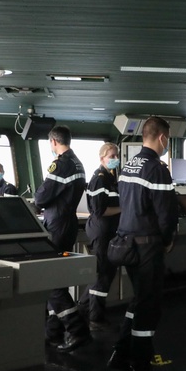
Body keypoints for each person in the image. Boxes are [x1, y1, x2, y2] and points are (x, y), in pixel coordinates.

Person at [107, 117, 177, 371]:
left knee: (139, 300)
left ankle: (121, 354)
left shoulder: (128, 167)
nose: (167, 143)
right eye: (168, 139)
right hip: (148, 246)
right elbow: (166, 212)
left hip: (127, 243)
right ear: (161, 138)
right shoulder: (157, 169)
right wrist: (168, 238)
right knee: (149, 308)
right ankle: (142, 369)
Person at [34, 125, 90, 352]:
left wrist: (37, 199)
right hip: (67, 224)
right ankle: (53, 332)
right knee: (56, 279)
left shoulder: (61, 163)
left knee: (51, 282)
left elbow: (42, 196)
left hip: (56, 225)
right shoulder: (77, 162)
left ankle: (77, 330)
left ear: (53, 142)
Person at [77, 142, 121, 332]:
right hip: (101, 230)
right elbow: (99, 210)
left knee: (106, 272)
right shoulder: (99, 179)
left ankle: (81, 309)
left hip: (110, 230)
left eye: (116, 156)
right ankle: (95, 317)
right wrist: (124, 209)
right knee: (102, 274)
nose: (115, 159)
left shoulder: (111, 178)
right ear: (102, 158)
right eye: (111, 156)